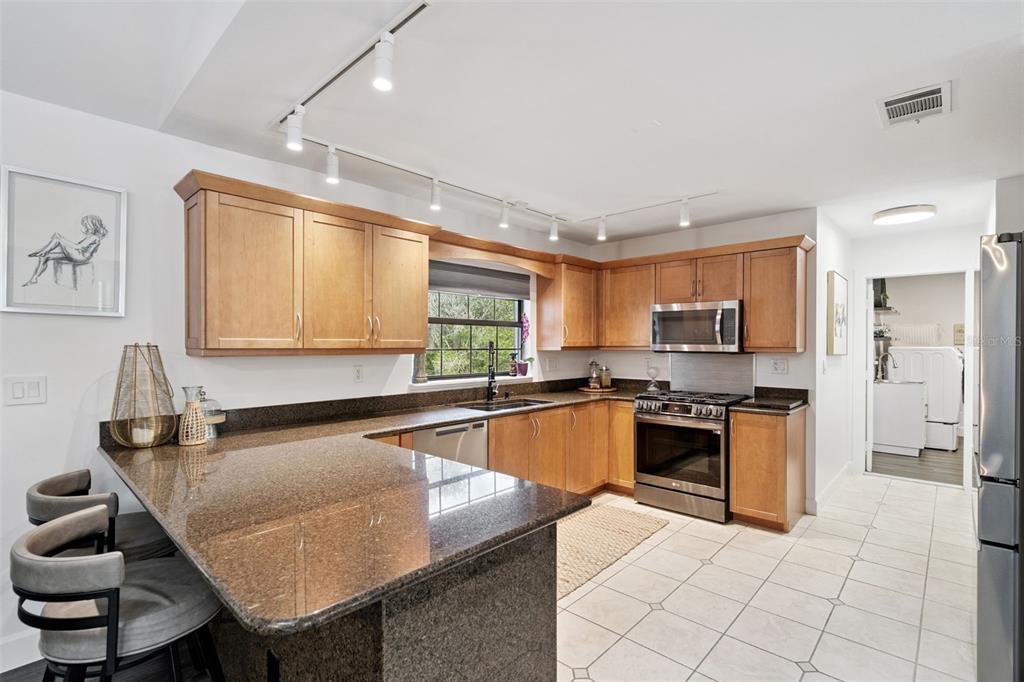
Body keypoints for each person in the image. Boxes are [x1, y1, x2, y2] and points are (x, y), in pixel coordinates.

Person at [22, 214, 108, 287]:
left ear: (92, 224)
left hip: (81, 257)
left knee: (57, 238)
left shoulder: (94, 237)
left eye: (85, 224)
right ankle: (34, 278)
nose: (84, 226)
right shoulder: (90, 236)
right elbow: (77, 246)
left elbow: (77, 247)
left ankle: (42, 251)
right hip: (78, 254)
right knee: (45, 256)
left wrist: (61, 239)